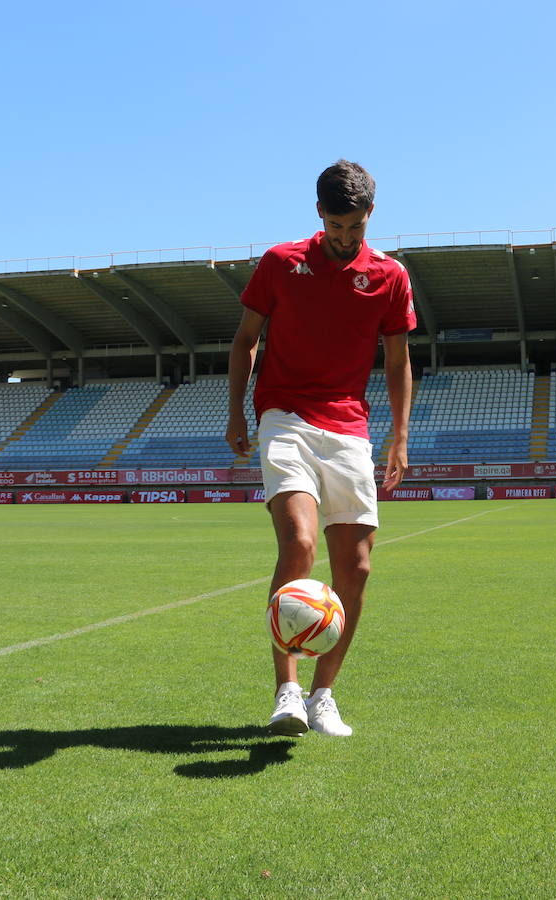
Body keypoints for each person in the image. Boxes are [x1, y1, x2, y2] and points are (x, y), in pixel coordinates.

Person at [226, 160, 415, 738]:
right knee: (300, 544)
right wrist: (236, 409)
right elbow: (245, 341)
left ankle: (323, 696)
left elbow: (398, 360)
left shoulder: (390, 276)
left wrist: (399, 437)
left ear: (370, 216)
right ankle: (286, 692)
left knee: (355, 567)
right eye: (335, 225)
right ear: (318, 214)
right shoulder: (281, 263)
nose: (344, 237)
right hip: (284, 415)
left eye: (353, 228)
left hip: (349, 427)